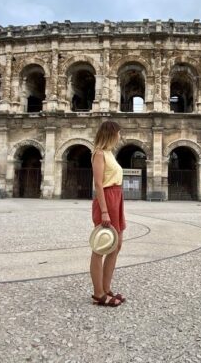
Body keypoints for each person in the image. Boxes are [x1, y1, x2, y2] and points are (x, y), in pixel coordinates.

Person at [89, 121, 126, 307]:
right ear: (111, 134)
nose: (120, 136)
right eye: (118, 133)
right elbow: (98, 184)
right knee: (101, 247)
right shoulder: (99, 154)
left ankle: (106, 287)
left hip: (117, 198)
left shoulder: (110, 153)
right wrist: (104, 211)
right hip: (107, 199)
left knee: (116, 245)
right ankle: (98, 293)